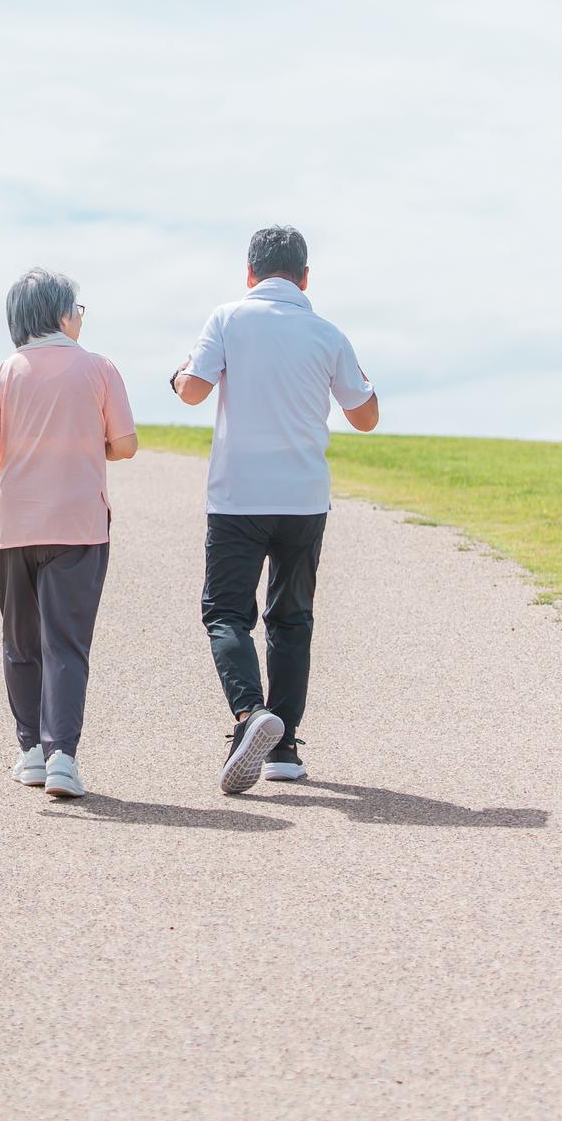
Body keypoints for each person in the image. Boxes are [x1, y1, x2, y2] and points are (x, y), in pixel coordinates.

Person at [171, 226, 378, 795]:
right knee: (292, 618)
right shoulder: (327, 332)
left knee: (227, 614)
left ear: (249, 274)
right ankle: (283, 748)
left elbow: (192, 391)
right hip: (304, 497)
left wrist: (179, 372)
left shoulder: (228, 319)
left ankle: (248, 717)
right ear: (306, 277)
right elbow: (366, 417)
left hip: (239, 496)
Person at [0, 268, 138, 800]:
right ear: (61, 314)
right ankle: (62, 759)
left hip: (12, 529)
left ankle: (29, 751)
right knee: (67, 645)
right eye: (78, 308)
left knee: (21, 643)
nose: (80, 317)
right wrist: (83, 439)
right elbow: (125, 446)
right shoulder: (99, 369)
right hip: (79, 527)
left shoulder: (1, 374)